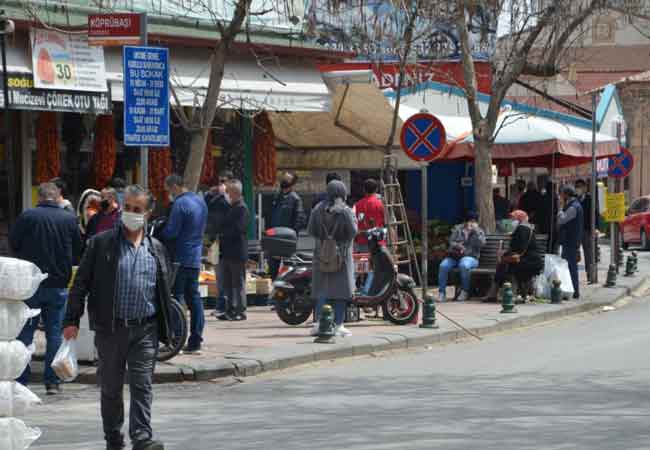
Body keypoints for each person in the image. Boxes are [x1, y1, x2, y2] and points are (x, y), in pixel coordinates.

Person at [63, 185, 172, 450]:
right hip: (111, 329)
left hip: (145, 330)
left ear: (147, 214)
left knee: (142, 386)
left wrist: (169, 328)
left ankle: (142, 437)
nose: (131, 213)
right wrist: (71, 320)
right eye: (128, 207)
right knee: (111, 390)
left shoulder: (156, 248)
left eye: (138, 209)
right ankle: (113, 438)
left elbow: (164, 291)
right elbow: (81, 284)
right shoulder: (101, 244)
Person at [9, 182, 82, 395]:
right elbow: (78, 249)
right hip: (58, 285)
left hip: (29, 284)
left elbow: (13, 242)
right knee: (55, 333)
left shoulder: (27, 216)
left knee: (25, 333)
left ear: (39, 198)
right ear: (57, 196)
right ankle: (52, 382)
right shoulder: (69, 219)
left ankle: (22, 380)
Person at [161, 174, 208, 354]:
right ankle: (196, 340)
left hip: (180, 256)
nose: (168, 194)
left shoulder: (179, 204)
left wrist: (160, 231)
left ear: (174, 187)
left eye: (168, 190)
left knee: (177, 296)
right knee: (194, 298)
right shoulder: (200, 202)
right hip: (195, 257)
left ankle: (177, 340)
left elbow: (172, 232)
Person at [308, 180, 358, 337]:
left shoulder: (317, 209)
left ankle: (319, 323)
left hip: (322, 255)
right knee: (341, 292)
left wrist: (325, 238)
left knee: (322, 290)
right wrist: (343, 213)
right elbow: (353, 231)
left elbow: (311, 230)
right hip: (341, 257)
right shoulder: (346, 211)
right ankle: (338, 325)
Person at [487, 210, 544, 301]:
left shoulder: (522, 229)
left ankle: (499, 293)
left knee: (504, 265)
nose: (511, 221)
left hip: (529, 262)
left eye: (513, 218)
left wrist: (504, 254)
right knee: (503, 265)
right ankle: (499, 293)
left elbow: (519, 249)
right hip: (531, 261)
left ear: (519, 219)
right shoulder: (525, 228)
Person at [214, 180, 250, 321]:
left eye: (228, 192)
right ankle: (230, 309)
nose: (226, 195)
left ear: (235, 193)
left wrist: (223, 233)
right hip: (227, 251)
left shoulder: (242, 208)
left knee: (238, 282)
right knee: (227, 283)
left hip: (236, 251)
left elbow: (239, 229)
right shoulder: (231, 207)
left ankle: (240, 310)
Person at [438, 212, 486, 302]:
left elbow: (482, 244)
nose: (471, 223)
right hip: (455, 256)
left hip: (471, 257)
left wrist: (475, 232)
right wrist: (458, 245)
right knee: (443, 266)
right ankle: (442, 292)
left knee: (463, 265)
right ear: (465, 221)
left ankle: (465, 290)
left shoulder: (479, 231)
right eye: (470, 221)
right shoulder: (458, 229)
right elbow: (451, 241)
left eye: (474, 221)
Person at [265, 172, 306, 279]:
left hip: (287, 240)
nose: (283, 181)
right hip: (274, 238)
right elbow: (269, 215)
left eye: (287, 179)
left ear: (292, 183)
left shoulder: (295, 199)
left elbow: (300, 220)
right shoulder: (276, 197)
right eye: (283, 178)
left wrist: (291, 235)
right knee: (272, 269)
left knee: (288, 269)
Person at [204, 170, 233, 315]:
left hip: (227, 241)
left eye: (224, 181)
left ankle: (227, 305)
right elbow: (206, 207)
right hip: (214, 240)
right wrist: (210, 194)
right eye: (220, 181)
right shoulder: (214, 197)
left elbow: (231, 211)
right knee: (218, 274)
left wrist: (223, 196)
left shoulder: (232, 198)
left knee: (226, 275)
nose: (221, 184)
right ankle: (220, 304)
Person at [557, 185, 584, 299]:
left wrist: (560, 208)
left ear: (567, 195)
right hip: (570, 240)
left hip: (570, 241)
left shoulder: (573, 207)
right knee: (567, 266)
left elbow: (562, 220)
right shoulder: (574, 205)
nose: (561, 196)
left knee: (570, 267)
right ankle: (569, 289)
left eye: (562, 194)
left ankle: (574, 290)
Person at [353, 178, 385, 253]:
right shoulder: (381, 204)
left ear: (364, 189)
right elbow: (386, 222)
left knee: (364, 263)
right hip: (378, 241)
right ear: (376, 189)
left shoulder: (357, 205)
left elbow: (354, 222)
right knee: (377, 263)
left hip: (362, 242)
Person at [575, 179, 597, 283]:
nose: (578, 189)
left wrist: (595, 228)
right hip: (575, 231)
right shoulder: (574, 200)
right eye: (577, 186)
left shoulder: (590, 199)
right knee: (574, 253)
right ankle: (573, 277)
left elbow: (595, 214)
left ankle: (590, 275)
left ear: (585, 188)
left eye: (580, 186)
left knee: (588, 254)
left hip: (586, 230)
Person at [538, 181, 560, 252]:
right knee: (552, 245)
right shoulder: (555, 198)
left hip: (543, 225)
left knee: (545, 245)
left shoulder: (542, 198)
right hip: (552, 225)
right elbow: (557, 211)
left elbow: (539, 211)